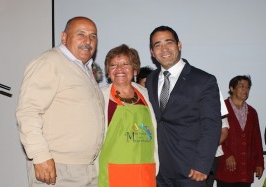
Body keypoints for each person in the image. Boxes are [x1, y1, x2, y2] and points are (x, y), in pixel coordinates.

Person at [15, 16, 105, 187]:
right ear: (64, 37)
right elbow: (28, 111)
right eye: (81, 34)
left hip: (87, 169)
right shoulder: (49, 62)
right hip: (58, 169)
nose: (88, 41)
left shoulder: (84, 68)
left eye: (93, 36)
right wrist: (40, 155)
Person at [146, 25, 222, 187]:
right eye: (157, 45)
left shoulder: (204, 80)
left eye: (169, 42)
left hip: (191, 171)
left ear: (179, 45)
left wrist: (202, 164)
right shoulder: (150, 80)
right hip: (157, 170)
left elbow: (212, 125)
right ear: (152, 52)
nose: (164, 48)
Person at [98, 44, 159, 187]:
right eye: (113, 65)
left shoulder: (147, 95)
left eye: (125, 64)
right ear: (108, 72)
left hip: (144, 172)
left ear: (135, 70)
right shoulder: (99, 97)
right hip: (112, 174)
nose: (119, 69)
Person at [215, 75, 264, 187]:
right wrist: (227, 154)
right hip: (226, 168)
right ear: (232, 88)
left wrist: (260, 163)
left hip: (245, 170)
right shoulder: (221, 108)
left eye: (247, 87)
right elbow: (214, 135)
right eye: (242, 86)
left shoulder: (252, 112)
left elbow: (257, 139)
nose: (245, 90)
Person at [206, 92, 229, 187]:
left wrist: (207, 148)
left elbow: (224, 132)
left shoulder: (217, 106)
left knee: (207, 184)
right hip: (187, 155)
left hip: (212, 155)